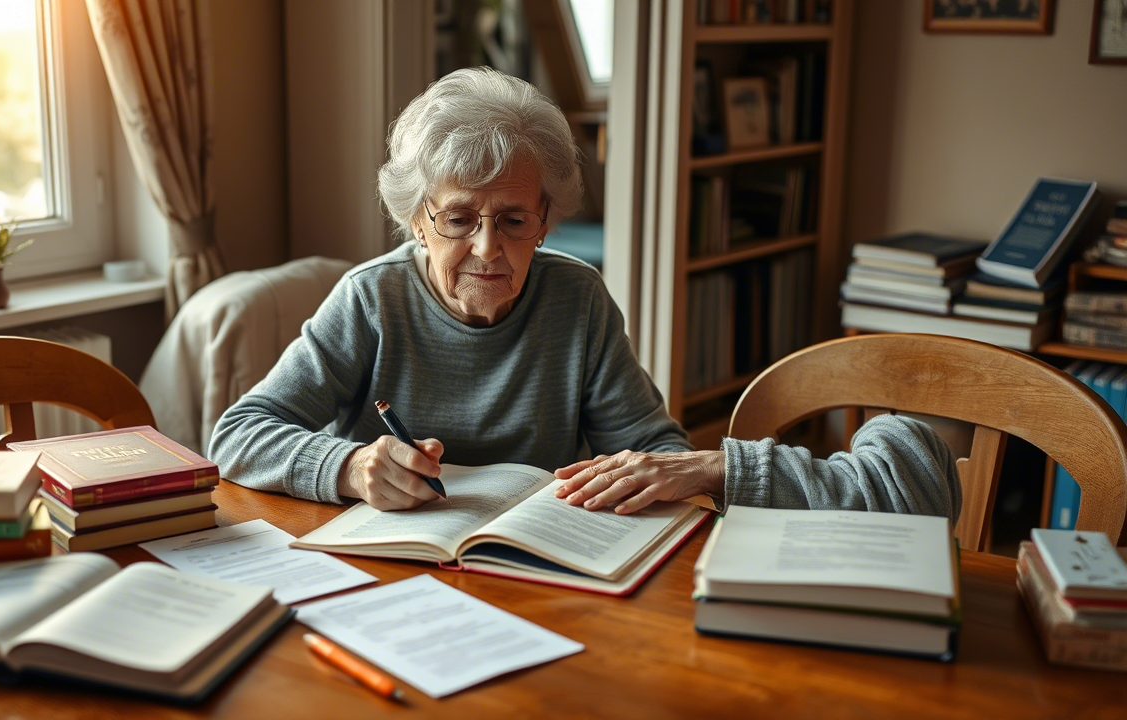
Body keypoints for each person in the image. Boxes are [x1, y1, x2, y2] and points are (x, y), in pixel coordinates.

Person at [208, 67, 961, 522]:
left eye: (513, 220)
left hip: (537, 564)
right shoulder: (370, 300)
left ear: (546, 219)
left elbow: (656, 451)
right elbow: (237, 434)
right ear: (416, 218)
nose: (486, 249)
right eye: (458, 218)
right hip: (384, 567)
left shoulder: (577, 300)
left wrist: (663, 471)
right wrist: (348, 468)